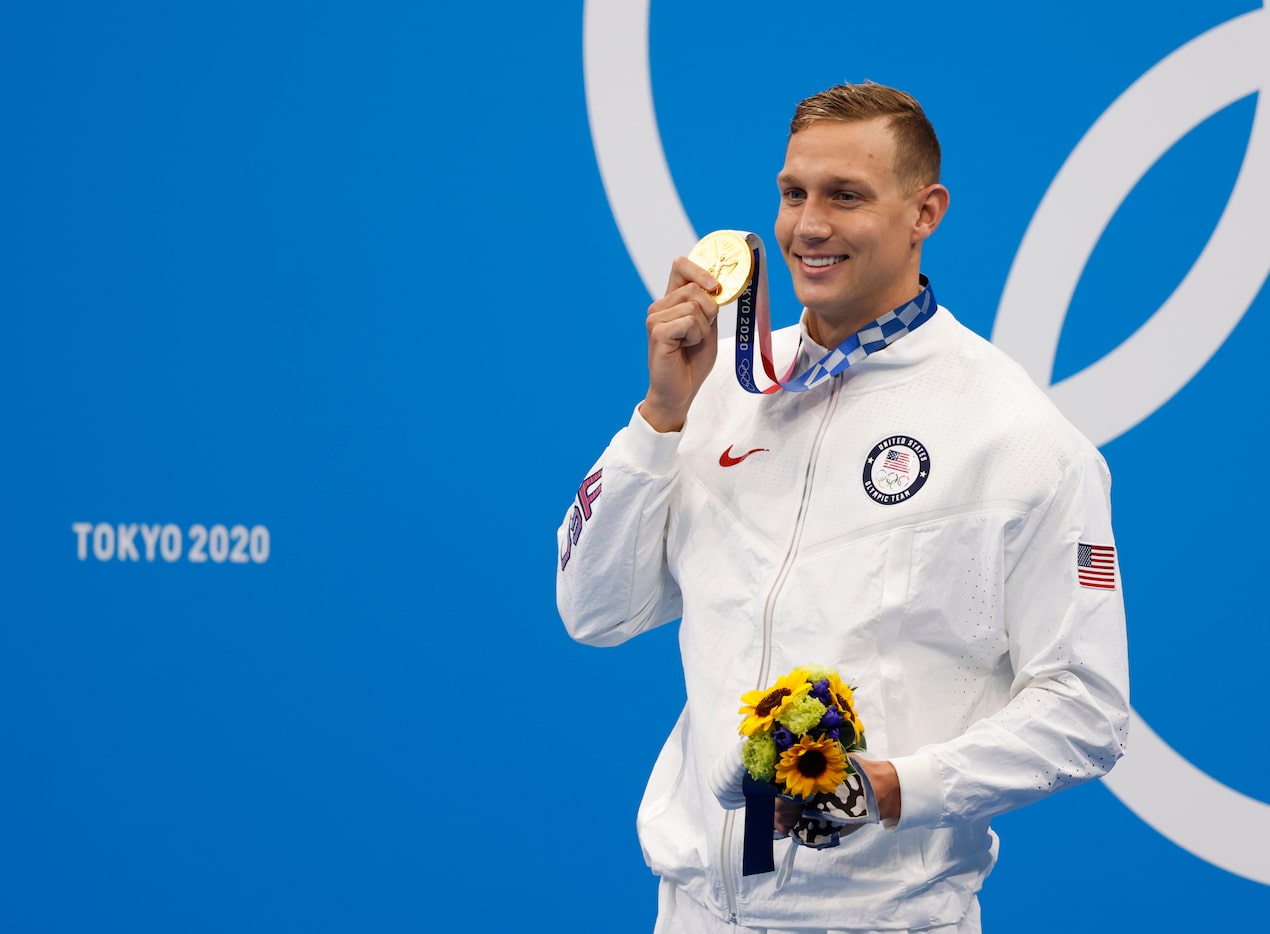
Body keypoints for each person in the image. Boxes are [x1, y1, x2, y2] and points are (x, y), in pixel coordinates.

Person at [556, 82, 1129, 933]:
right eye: (793, 194)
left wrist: (892, 787)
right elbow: (593, 613)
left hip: (879, 917)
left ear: (924, 211)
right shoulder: (720, 385)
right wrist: (661, 415)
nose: (808, 225)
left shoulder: (1017, 438)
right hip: (694, 910)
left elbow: (1086, 709)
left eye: (845, 196)